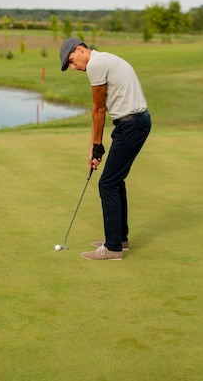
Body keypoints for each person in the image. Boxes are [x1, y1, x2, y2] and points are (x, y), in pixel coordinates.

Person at [60, 37, 151, 261]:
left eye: (72, 61)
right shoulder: (105, 59)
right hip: (135, 123)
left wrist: (97, 146)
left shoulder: (95, 65)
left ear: (80, 50)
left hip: (131, 125)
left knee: (107, 183)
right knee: (115, 181)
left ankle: (112, 248)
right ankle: (119, 238)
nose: (74, 68)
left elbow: (99, 109)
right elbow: (99, 112)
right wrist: (94, 146)